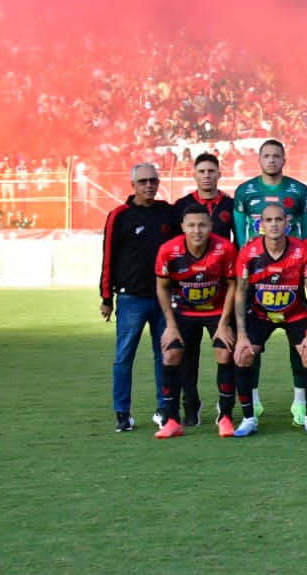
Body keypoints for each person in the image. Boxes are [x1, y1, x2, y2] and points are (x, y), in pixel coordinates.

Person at [231, 139, 307, 426]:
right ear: (259, 159)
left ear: (284, 159)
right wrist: (252, 265)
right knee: (250, 349)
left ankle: (301, 403)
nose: (271, 160)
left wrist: (296, 262)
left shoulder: (299, 191)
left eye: (276, 156)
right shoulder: (245, 191)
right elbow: (240, 234)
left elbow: (306, 234)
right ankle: (252, 403)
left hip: (292, 274)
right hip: (256, 276)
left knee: (301, 346)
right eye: (266, 156)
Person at [100, 163, 178, 432]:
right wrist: (106, 296)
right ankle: (122, 412)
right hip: (130, 298)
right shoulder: (119, 216)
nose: (149, 186)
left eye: (153, 181)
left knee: (164, 355)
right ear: (132, 185)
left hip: (163, 299)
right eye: (143, 181)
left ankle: (164, 408)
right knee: (124, 356)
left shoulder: (168, 213)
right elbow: (108, 256)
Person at [153, 207, 239, 438]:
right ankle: (171, 420)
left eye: (202, 225)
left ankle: (226, 417)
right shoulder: (169, 250)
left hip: (216, 311)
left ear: (210, 226)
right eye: (191, 225)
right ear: (182, 227)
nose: (197, 230)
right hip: (182, 312)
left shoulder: (225, 249)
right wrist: (170, 325)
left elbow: (232, 285)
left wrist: (224, 323)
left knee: (224, 352)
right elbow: (161, 287)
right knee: (171, 354)